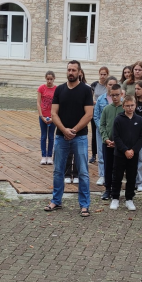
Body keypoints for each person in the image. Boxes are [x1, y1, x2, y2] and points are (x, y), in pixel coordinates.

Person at [46, 61, 94, 216]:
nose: (71, 72)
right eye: (69, 70)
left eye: (74, 70)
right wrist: (64, 130)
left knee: (83, 172)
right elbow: (54, 113)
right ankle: (56, 201)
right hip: (61, 137)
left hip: (80, 137)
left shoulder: (86, 90)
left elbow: (89, 114)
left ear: (79, 72)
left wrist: (74, 130)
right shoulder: (59, 89)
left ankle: (84, 205)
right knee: (58, 171)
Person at [110, 95, 142, 211]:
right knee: (117, 176)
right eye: (127, 106)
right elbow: (116, 137)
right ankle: (115, 197)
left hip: (133, 154)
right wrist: (125, 150)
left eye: (132, 105)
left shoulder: (140, 120)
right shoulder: (118, 119)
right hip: (120, 153)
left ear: (135, 105)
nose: (130, 108)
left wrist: (133, 150)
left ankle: (129, 198)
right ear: (123, 106)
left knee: (131, 176)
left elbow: (141, 137)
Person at [99, 83, 124, 202]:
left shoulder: (124, 109)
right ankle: (107, 189)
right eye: (112, 95)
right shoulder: (107, 109)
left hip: (120, 145)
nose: (115, 97)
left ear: (121, 94)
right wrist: (106, 139)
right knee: (108, 167)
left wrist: (119, 142)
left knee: (118, 168)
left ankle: (116, 189)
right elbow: (102, 125)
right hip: (108, 143)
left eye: (117, 95)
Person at [92, 74, 117, 185]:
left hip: (115, 131)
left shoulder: (120, 100)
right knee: (101, 153)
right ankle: (102, 175)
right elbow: (96, 115)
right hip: (101, 131)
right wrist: (101, 128)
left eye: (114, 85)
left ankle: (113, 175)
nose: (111, 87)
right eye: (109, 84)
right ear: (106, 85)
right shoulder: (101, 99)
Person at [89, 66, 110, 165]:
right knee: (95, 133)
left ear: (107, 75)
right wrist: (96, 102)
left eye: (104, 74)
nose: (103, 76)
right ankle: (94, 154)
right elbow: (90, 97)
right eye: (101, 74)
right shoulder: (94, 85)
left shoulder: (108, 85)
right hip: (96, 110)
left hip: (106, 111)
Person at [37, 71, 56, 165]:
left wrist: (53, 117)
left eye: (51, 79)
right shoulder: (41, 88)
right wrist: (41, 116)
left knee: (51, 136)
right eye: (48, 79)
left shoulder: (56, 89)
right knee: (43, 136)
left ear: (54, 79)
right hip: (43, 115)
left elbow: (57, 103)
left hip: (53, 116)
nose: (49, 81)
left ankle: (49, 156)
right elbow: (38, 102)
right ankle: (43, 156)